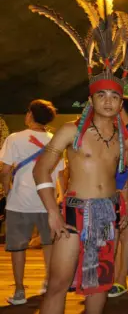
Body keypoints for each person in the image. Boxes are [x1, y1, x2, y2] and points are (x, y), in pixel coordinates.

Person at [30, 0, 128, 313]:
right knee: (57, 283)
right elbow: (40, 169)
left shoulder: (124, 138)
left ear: (120, 103)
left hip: (108, 213)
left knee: (99, 283)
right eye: (102, 96)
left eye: (115, 97)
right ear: (92, 99)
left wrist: (127, 213)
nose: (109, 101)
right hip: (74, 211)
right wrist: (54, 214)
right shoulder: (71, 131)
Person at [0, 99, 63, 305]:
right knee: (49, 245)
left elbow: (5, 170)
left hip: (19, 201)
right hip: (47, 202)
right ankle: (47, 283)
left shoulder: (15, 138)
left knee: (18, 248)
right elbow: (61, 173)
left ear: (30, 115)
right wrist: (60, 196)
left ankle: (19, 291)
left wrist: (8, 191)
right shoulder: (55, 139)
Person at [108, 96, 128, 298]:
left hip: (125, 192)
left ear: (121, 109)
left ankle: (120, 281)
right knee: (114, 237)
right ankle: (110, 279)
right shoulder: (117, 131)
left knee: (124, 237)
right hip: (111, 192)